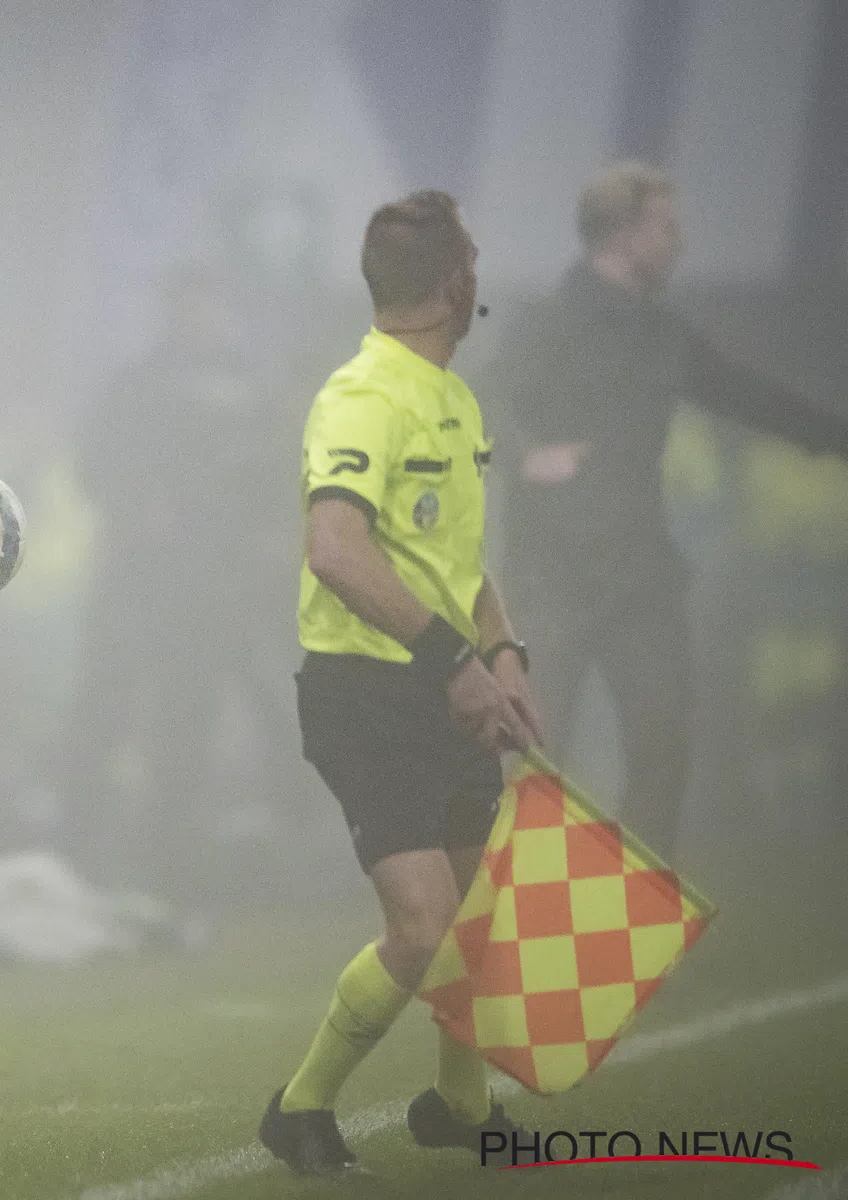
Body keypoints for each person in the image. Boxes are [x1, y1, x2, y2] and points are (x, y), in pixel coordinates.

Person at [258, 191, 540, 1174]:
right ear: (456, 283)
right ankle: (298, 1109)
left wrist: (503, 652)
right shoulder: (362, 397)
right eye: (474, 261)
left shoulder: (454, 399)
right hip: (368, 692)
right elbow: (335, 551)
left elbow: (454, 561)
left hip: (444, 683)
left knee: (480, 914)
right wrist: (456, 662)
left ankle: (459, 1107)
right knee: (423, 928)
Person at [482, 161, 848, 860]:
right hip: (550, 584)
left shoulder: (663, 336)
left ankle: (617, 943)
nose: (680, 243)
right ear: (621, 233)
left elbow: (750, 396)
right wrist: (527, 454)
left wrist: (837, 437)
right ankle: (523, 940)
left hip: (643, 585)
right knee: (532, 761)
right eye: (667, 227)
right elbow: (482, 399)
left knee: (663, 754)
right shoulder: (549, 323)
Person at [59, 264, 288, 910]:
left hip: (212, 592)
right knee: (101, 718)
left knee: (186, 730)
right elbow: (93, 469)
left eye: (212, 304)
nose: (201, 316)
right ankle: (75, 859)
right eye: (189, 305)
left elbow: (274, 480)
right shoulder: (133, 389)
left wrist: (266, 541)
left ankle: (173, 872)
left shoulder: (250, 394)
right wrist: (139, 509)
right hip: (135, 587)